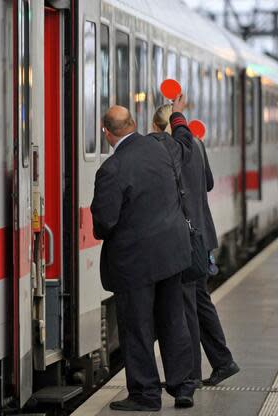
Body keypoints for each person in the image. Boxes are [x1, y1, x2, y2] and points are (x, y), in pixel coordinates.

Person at [91, 105, 195, 411]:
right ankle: (183, 387)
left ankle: (145, 394)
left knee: (137, 328)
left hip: (134, 262)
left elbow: (104, 224)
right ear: (134, 124)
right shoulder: (160, 149)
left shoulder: (112, 169)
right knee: (173, 321)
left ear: (106, 133)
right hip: (172, 253)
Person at [149, 101, 240, 390]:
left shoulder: (170, 150)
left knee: (187, 306)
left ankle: (190, 374)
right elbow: (209, 183)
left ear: (163, 129)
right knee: (200, 301)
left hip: (185, 240)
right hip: (203, 235)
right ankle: (223, 362)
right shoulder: (197, 144)